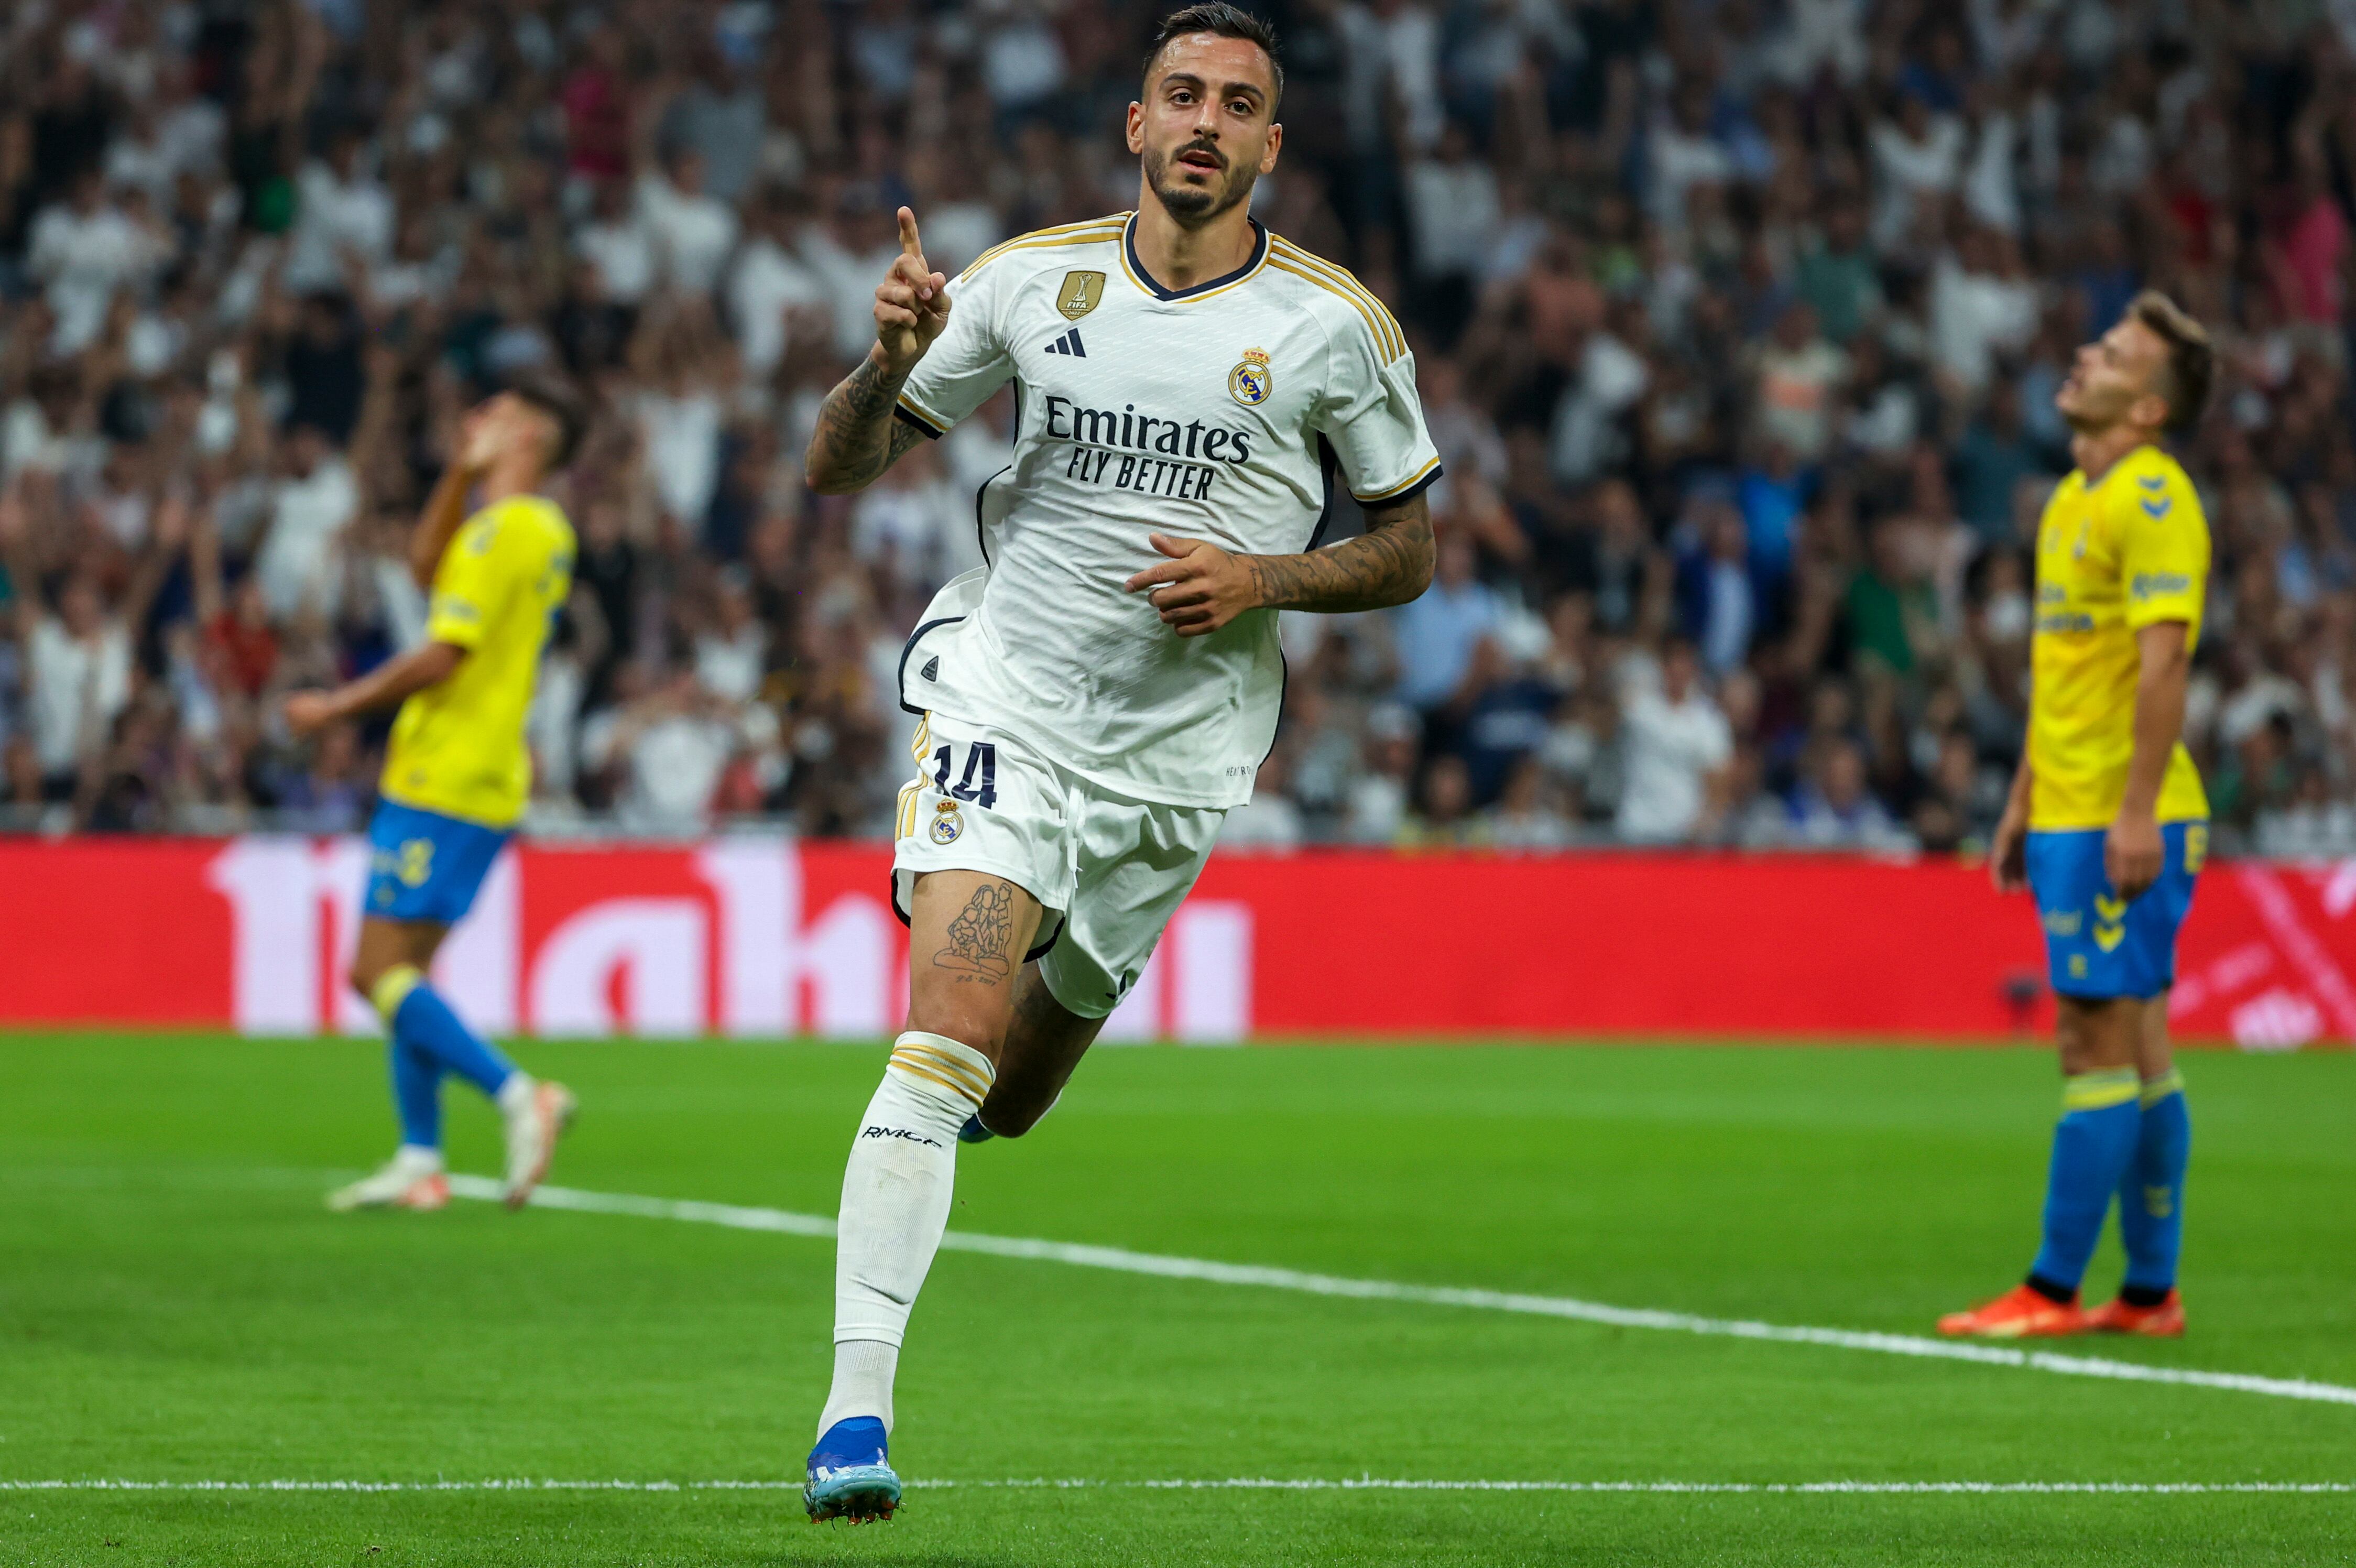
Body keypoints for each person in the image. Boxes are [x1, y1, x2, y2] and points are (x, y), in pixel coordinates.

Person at [794, 3, 1439, 1522]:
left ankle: (951, 1166)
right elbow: (836, 468)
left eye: (1238, 103)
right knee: (942, 1038)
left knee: (1006, 1098)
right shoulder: (1029, 283)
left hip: (1178, 769)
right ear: (1136, 126)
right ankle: (852, 1417)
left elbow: (1409, 547)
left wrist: (1265, 581)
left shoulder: (1336, 328)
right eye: (1181, 95)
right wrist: (884, 365)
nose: (1206, 122)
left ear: (1271, 145)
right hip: (1007, 705)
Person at [1941, 292, 2213, 1341]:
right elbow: (2062, 674)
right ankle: (2149, 1294)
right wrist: (2020, 796)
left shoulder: (2152, 500)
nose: (2083, 356)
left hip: (2120, 815)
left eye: (2110, 354)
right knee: (2139, 1038)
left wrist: (2136, 809)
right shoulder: (2067, 500)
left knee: (2087, 1039)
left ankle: (2049, 1289)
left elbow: (2165, 658)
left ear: (2144, 408)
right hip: (2066, 804)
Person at [281, 380, 586, 1215]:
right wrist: (458, 474)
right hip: (479, 777)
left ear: (526, 435)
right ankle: (420, 1156)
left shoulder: (507, 528)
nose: (473, 419)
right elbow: (428, 570)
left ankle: (520, 1093)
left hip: (444, 774)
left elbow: (444, 652)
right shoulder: (524, 529)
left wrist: (335, 708)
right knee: (405, 973)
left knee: (370, 969)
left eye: (491, 415)